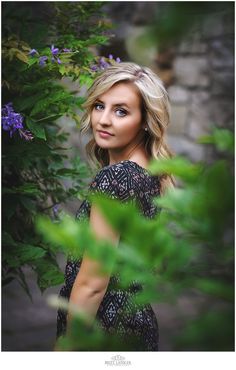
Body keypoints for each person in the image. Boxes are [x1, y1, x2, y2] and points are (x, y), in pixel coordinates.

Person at [56, 62, 175, 351]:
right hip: (138, 325)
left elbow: (93, 283)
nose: (103, 120)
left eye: (121, 111)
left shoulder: (117, 178)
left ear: (146, 120)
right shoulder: (153, 172)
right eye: (99, 106)